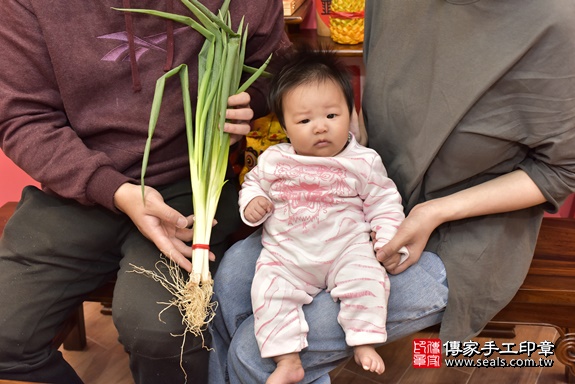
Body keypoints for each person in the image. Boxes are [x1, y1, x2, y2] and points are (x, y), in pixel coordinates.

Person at [208, 0, 575, 383]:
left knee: (256, 355)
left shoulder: (553, 22)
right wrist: (341, 152)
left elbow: (560, 170)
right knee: (232, 281)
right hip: (354, 207)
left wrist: (433, 212)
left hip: (461, 232)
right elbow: (370, 101)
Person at [0, 1, 289, 383]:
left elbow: (277, 71)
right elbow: (23, 117)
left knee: (161, 332)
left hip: (192, 184)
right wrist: (113, 189)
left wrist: (248, 102)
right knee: (6, 335)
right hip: (77, 186)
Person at [240, 49, 409, 382]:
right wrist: (254, 203)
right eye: (304, 121)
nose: (319, 127)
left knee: (367, 279)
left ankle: (363, 340)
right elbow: (251, 184)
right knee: (267, 290)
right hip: (287, 254)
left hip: (345, 249)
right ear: (285, 126)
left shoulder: (364, 161)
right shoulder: (274, 160)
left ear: (350, 113)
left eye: (332, 115)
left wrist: (388, 238)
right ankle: (287, 359)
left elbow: (385, 202)